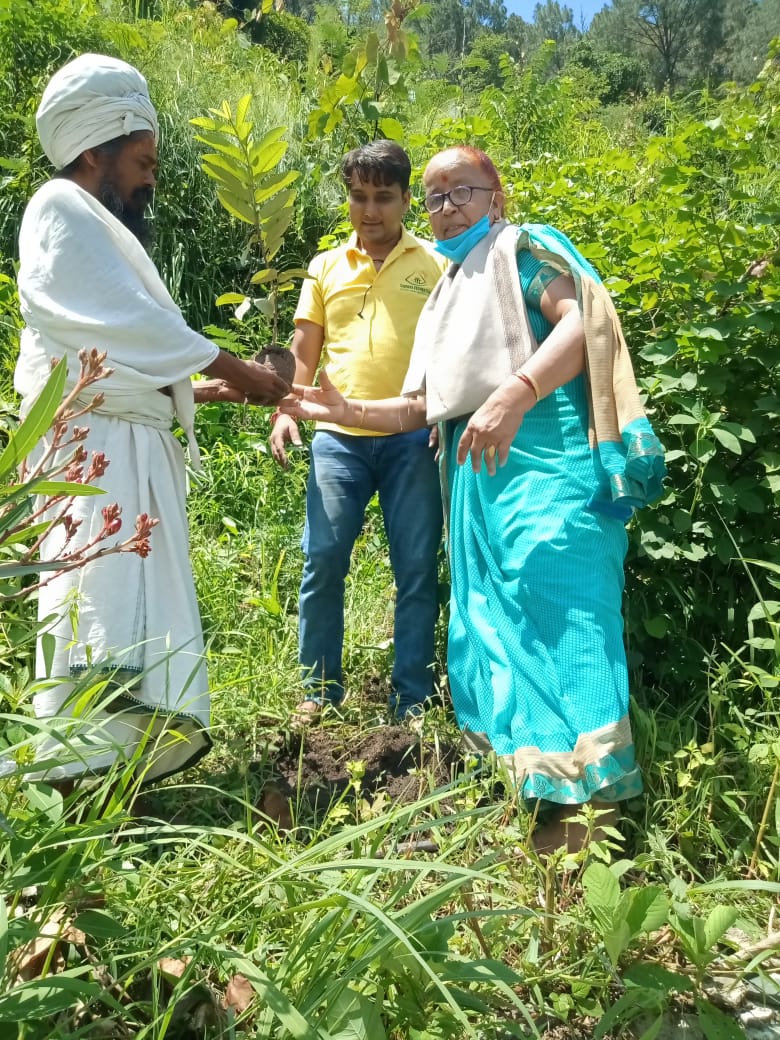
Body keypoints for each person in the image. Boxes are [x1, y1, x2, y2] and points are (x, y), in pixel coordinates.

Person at [281, 146, 666, 852]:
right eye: (435, 198)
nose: (446, 206)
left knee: (564, 610)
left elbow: (579, 324)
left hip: (546, 471)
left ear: (497, 195)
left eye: (460, 191)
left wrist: (515, 393)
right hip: (480, 487)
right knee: (500, 622)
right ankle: (537, 781)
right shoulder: (448, 291)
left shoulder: (523, 251)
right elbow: (422, 408)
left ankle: (595, 812)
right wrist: (341, 407)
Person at [13, 53, 290, 787]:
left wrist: (194, 393)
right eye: (141, 160)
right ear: (95, 149)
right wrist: (244, 372)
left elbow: (119, 360)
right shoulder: (59, 208)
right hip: (91, 460)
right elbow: (130, 325)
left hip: (121, 444)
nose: (151, 176)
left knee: (128, 620)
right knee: (92, 616)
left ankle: (115, 786)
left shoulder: (102, 227)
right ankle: (70, 792)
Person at [271, 141, 446, 723]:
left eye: (384, 198)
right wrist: (286, 410)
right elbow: (304, 350)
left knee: (416, 567)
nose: (370, 211)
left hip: (413, 439)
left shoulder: (436, 266)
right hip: (338, 439)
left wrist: (446, 416)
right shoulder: (324, 267)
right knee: (322, 558)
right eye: (358, 196)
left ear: (404, 200)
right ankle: (318, 691)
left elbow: (451, 354)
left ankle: (412, 699)